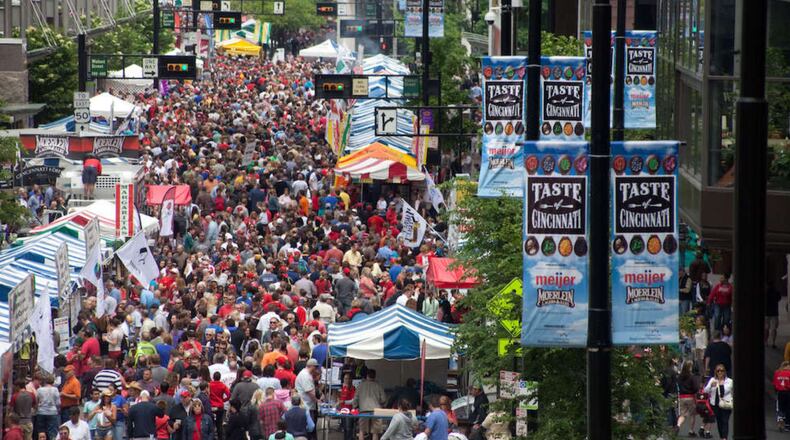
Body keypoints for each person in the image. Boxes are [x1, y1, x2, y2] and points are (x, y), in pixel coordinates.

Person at [354, 369, 387, 440]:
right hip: (376, 411)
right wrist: (382, 404)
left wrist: (355, 407)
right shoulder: (378, 385)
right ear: (375, 376)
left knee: (361, 431)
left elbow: (355, 399)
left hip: (363, 411)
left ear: (367, 375)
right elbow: (384, 399)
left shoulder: (361, 385)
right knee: (375, 432)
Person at [704, 364, 733, 440]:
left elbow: (724, 392)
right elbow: (705, 391)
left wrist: (720, 384)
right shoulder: (712, 380)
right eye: (718, 371)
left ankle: (724, 438)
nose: (720, 372)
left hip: (726, 404)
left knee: (725, 421)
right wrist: (710, 385)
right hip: (715, 405)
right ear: (715, 372)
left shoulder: (729, 381)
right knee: (719, 422)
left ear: (725, 372)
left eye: (722, 371)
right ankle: (721, 437)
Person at [676, 360, 700, 436]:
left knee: (682, 414)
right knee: (692, 414)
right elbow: (696, 388)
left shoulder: (680, 376)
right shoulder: (692, 376)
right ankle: (691, 431)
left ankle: (678, 425)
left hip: (681, 397)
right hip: (690, 397)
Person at [35, 374, 61, 440]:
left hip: (41, 412)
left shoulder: (39, 390)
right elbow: (58, 403)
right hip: (52, 412)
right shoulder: (55, 390)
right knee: (52, 432)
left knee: (41, 431)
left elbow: (36, 402)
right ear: (53, 381)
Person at [774, 361, 790, 432]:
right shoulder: (789, 373)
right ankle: (787, 425)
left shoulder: (777, 373)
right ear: (786, 366)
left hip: (780, 392)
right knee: (788, 408)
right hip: (788, 392)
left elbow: (775, 383)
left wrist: (776, 390)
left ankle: (780, 422)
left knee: (780, 408)